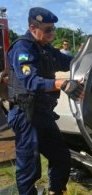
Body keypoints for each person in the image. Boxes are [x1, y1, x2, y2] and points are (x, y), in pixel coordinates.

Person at [7, 7, 83, 195]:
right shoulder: (22, 48)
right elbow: (30, 81)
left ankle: (55, 191)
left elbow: (68, 62)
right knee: (29, 167)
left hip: (42, 113)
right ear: (33, 28)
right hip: (26, 115)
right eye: (48, 30)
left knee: (61, 157)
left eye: (53, 29)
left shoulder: (45, 49)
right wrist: (61, 83)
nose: (52, 34)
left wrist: (88, 61)